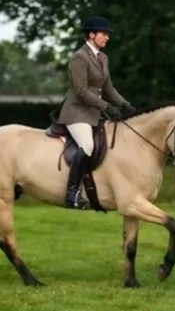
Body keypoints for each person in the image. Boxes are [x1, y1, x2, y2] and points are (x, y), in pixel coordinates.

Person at [56, 15, 136, 209]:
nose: (107, 37)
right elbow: (81, 91)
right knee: (88, 145)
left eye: (107, 34)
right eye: (104, 34)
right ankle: (72, 193)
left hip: (93, 113)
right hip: (77, 113)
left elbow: (108, 88)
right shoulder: (79, 57)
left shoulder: (102, 58)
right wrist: (106, 107)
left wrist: (125, 104)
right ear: (91, 35)